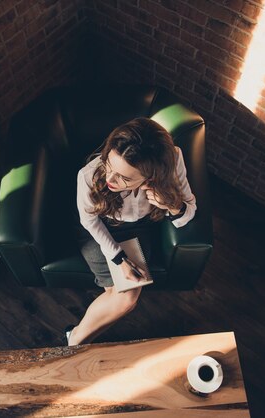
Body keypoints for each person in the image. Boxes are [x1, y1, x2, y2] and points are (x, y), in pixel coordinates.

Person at [66, 117, 197, 346]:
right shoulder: (88, 175)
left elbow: (188, 211)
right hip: (99, 228)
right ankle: (76, 340)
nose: (109, 179)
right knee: (125, 299)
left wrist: (171, 204)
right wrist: (119, 259)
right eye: (109, 164)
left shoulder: (173, 159)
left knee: (126, 299)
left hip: (140, 227)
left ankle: (77, 340)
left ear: (151, 177)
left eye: (124, 178)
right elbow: (88, 219)